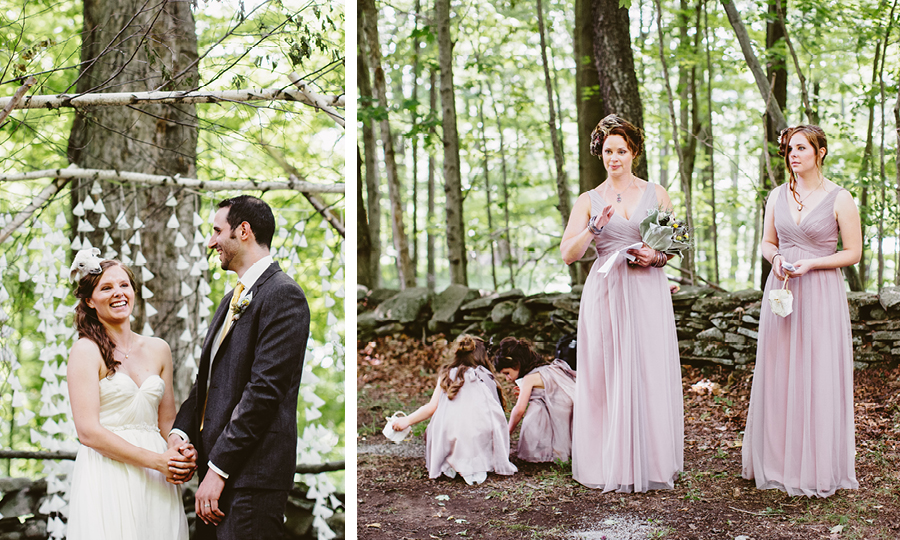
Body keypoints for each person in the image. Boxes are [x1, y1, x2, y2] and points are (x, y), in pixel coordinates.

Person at [167, 195, 310, 539]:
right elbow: (207, 383)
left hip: (250, 480)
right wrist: (179, 435)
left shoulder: (283, 294)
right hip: (215, 478)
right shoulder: (229, 300)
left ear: (243, 231)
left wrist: (218, 470)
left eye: (217, 231)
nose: (211, 241)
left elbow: (264, 392)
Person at [560, 114, 684, 492]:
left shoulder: (656, 193)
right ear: (601, 153)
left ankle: (651, 460)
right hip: (607, 292)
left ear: (634, 153)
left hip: (647, 289)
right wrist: (593, 228)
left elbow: (674, 245)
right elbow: (569, 254)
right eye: (608, 151)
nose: (614, 157)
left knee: (648, 368)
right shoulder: (588, 200)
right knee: (608, 371)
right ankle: (607, 460)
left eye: (622, 150)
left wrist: (656, 257)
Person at [742, 125, 861, 497]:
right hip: (782, 289)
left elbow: (853, 253)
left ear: (820, 152)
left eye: (801, 148)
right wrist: (775, 257)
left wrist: (812, 264)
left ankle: (815, 463)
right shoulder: (776, 195)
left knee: (816, 371)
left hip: (821, 290)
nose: (793, 155)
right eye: (789, 149)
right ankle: (778, 461)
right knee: (779, 371)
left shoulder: (840, 198)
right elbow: (766, 241)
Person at [66, 255, 192, 540]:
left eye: (124, 285)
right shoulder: (85, 351)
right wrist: (157, 461)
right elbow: (88, 432)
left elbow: (168, 421)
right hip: (108, 473)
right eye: (106, 288)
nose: (118, 293)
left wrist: (179, 449)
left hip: (158, 478)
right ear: (89, 300)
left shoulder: (159, 349)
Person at [392, 335, 517, 485]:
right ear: (483, 356)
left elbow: (431, 407)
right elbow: (497, 410)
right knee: (485, 424)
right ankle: (475, 461)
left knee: (443, 425)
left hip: (448, 435)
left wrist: (407, 420)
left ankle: (451, 462)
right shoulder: (484, 375)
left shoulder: (446, 374)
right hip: (475, 436)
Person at [493, 337, 576, 463]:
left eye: (507, 373)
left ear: (517, 364)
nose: (507, 378)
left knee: (535, 408)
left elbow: (519, 410)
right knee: (536, 403)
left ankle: (541, 452)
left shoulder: (529, 378)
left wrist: (507, 431)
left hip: (561, 411)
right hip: (569, 408)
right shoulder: (545, 369)